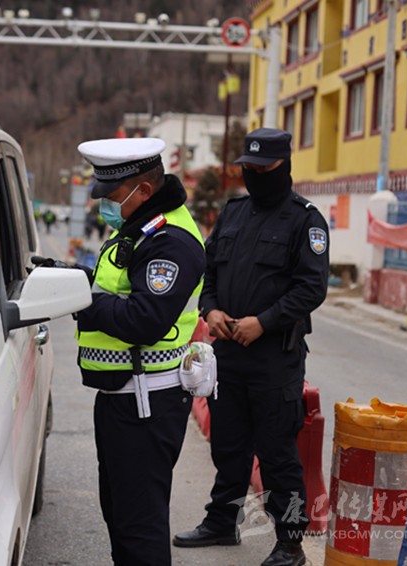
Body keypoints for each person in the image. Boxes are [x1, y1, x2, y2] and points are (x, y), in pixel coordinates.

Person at [173, 128, 329, 566]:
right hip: (228, 353)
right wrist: (210, 310)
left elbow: (311, 288)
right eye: (249, 168)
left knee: (278, 454)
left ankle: (290, 543)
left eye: (264, 168)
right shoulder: (233, 213)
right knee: (228, 444)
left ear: (284, 167)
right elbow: (209, 272)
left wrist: (264, 322)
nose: (255, 175)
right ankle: (223, 521)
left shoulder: (305, 220)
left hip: (274, 358)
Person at [74, 137, 206, 566]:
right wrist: (73, 279)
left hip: (147, 402)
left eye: (112, 197)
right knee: (120, 515)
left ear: (144, 190)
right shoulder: (139, 228)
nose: (105, 207)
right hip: (123, 397)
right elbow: (116, 289)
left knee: (140, 527)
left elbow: (145, 319)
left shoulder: (172, 242)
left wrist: (80, 299)